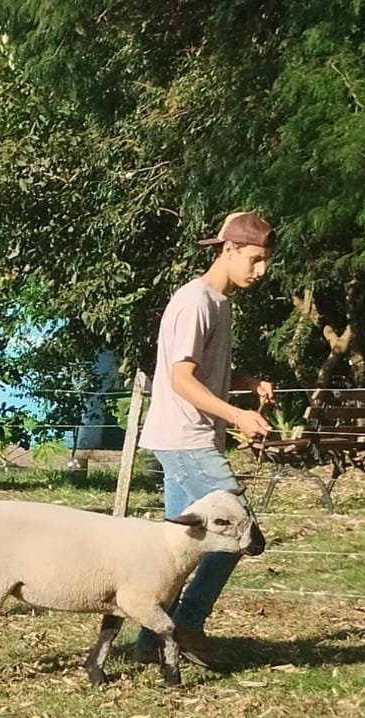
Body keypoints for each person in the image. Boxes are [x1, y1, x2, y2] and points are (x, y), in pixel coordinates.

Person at [131, 211, 276, 674]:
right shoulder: (195, 301)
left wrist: (246, 381)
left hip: (187, 437)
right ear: (228, 249)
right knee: (241, 532)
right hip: (185, 439)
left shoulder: (219, 303)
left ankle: (151, 638)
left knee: (180, 546)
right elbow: (181, 379)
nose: (261, 271)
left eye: (265, 261)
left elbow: (206, 368)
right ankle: (189, 624)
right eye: (254, 259)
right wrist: (238, 416)